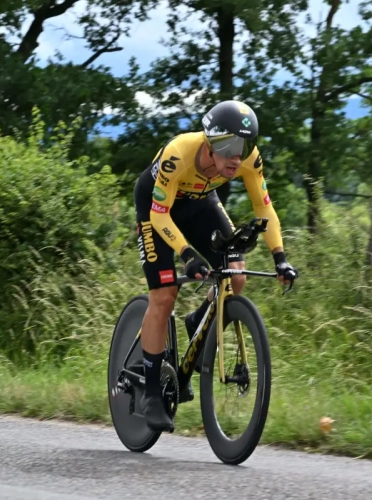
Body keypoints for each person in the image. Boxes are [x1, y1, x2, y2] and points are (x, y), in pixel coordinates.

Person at [132, 99, 298, 432]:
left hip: (200, 203)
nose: (238, 156)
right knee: (164, 296)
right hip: (157, 208)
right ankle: (151, 393)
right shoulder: (179, 152)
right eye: (231, 147)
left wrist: (280, 257)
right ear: (211, 143)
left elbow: (264, 207)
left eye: (246, 145)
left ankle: (198, 323)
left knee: (235, 276)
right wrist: (186, 254)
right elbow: (158, 214)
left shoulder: (248, 160)